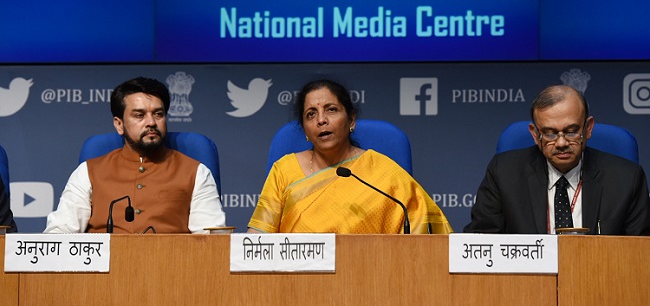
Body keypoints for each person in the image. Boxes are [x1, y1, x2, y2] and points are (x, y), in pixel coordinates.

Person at [247, 79, 452, 234]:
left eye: (331, 110)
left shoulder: (383, 174)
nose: (321, 120)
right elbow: (257, 241)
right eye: (311, 114)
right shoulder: (284, 170)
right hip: (293, 282)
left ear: (351, 119)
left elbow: (428, 236)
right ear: (305, 131)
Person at [45, 77, 226, 234]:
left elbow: (211, 242)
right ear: (119, 124)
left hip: (173, 269)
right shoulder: (88, 172)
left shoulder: (196, 173)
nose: (151, 122)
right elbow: (60, 234)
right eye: (139, 115)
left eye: (158, 114)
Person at [464, 85, 650, 235]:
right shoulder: (504, 173)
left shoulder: (627, 179)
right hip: (527, 280)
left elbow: (640, 254)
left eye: (571, 131)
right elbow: (481, 242)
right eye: (550, 133)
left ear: (588, 129)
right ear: (535, 135)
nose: (561, 143)